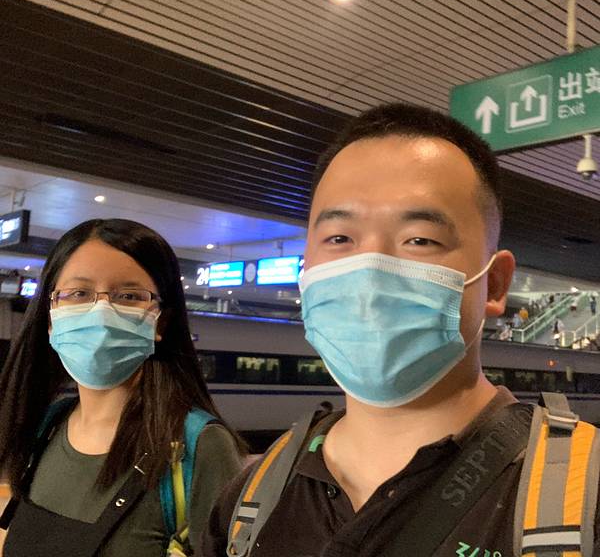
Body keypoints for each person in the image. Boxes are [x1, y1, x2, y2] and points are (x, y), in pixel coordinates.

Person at [200, 103, 600, 556]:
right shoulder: (249, 501)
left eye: (420, 240)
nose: (369, 272)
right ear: (305, 268)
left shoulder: (581, 499)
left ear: (495, 283)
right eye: (339, 239)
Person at [0, 219, 243, 556]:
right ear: (50, 316)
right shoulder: (45, 428)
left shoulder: (198, 447)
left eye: (128, 296)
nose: (101, 313)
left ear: (161, 321)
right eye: (79, 293)